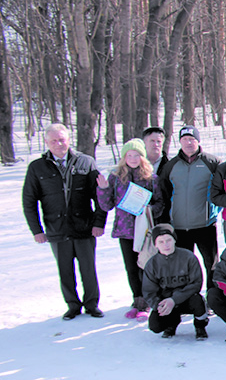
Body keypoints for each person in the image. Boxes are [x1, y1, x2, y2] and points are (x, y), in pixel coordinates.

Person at [22, 123, 107, 319]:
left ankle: (92, 304)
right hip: (56, 229)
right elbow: (29, 201)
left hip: (84, 227)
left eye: (62, 140)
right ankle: (72, 305)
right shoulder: (37, 167)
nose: (59, 144)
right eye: (54, 141)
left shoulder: (86, 162)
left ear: (69, 140)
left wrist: (98, 223)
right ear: (46, 143)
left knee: (88, 269)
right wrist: (36, 230)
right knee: (65, 271)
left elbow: (100, 196)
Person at [96, 138, 159, 318]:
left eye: (136, 155)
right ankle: (137, 299)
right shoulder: (115, 178)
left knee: (145, 266)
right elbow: (107, 205)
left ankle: (148, 301)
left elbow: (160, 203)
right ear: (124, 157)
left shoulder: (151, 178)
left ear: (142, 157)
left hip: (145, 230)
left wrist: (147, 209)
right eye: (129, 155)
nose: (132, 158)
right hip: (125, 229)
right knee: (131, 267)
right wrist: (103, 189)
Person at [157, 125, 221, 288]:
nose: (188, 143)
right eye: (185, 140)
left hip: (204, 224)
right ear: (179, 142)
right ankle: (187, 296)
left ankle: (212, 295)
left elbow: (221, 190)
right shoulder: (171, 166)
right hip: (179, 226)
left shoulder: (212, 162)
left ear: (198, 141)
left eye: (192, 139)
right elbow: (164, 194)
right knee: (184, 265)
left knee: (211, 263)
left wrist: (213, 211)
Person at [141, 223, 209, 340]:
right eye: (161, 242)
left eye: (168, 240)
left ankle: (200, 326)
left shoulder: (188, 257)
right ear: (155, 244)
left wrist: (174, 299)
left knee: (197, 302)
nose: (166, 244)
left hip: (187, 298)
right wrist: (159, 305)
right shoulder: (152, 264)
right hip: (165, 301)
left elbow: (196, 283)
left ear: (174, 240)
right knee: (155, 326)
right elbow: (149, 291)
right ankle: (171, 323)